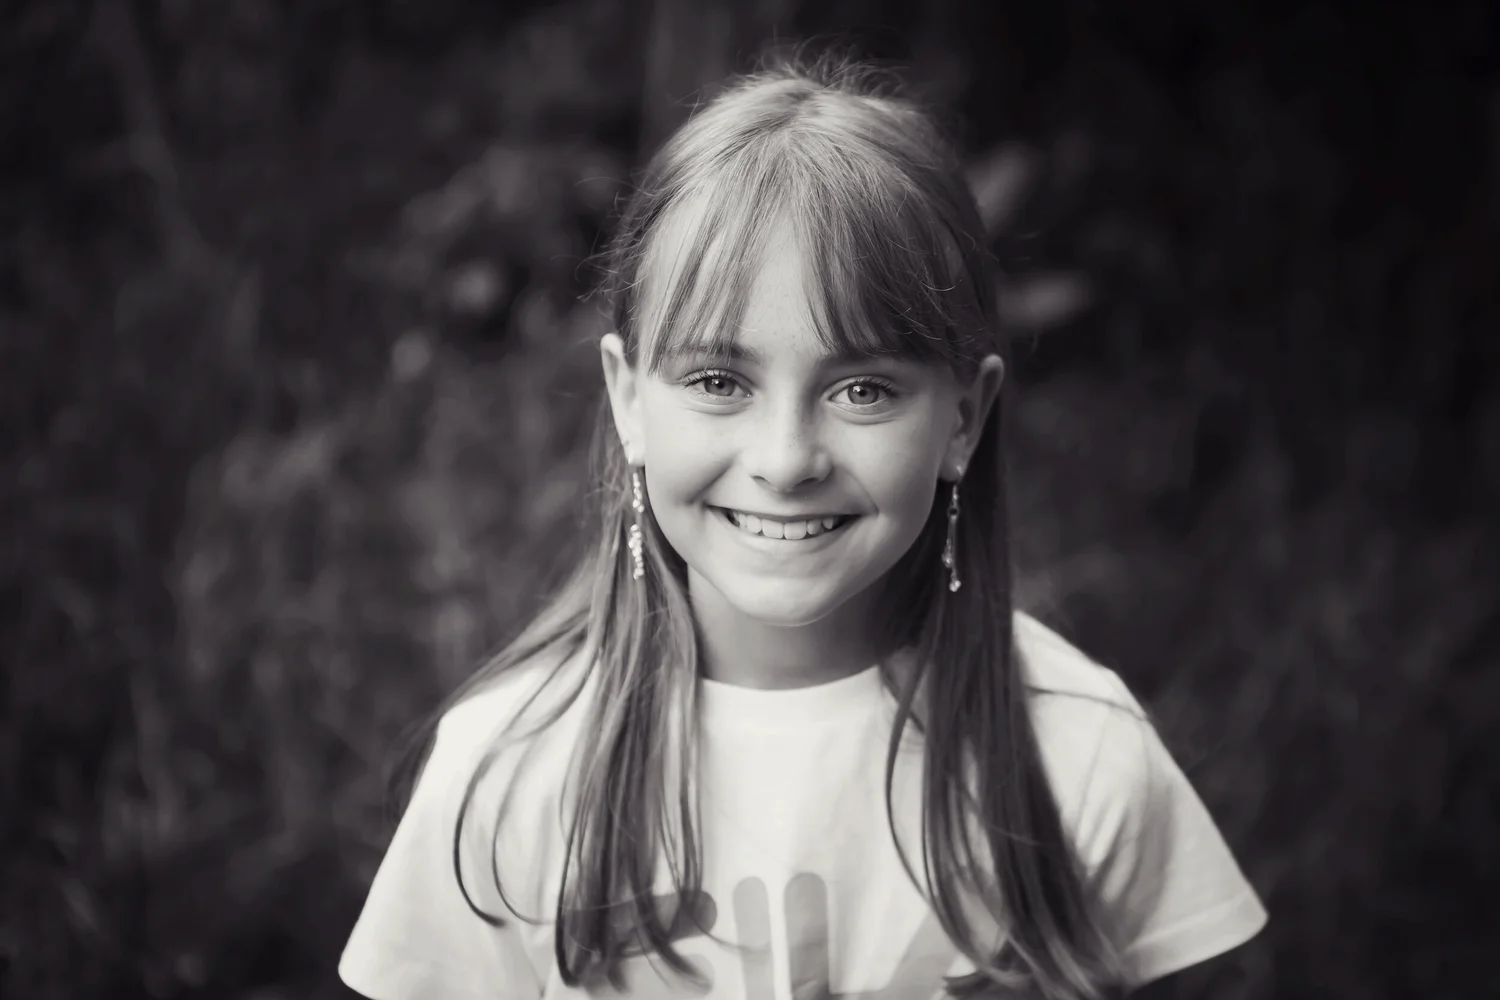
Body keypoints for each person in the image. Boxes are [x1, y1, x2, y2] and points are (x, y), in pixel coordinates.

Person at [338, 51, 1267, 1000]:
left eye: (863, 389)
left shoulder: (1080, 752)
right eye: (718, 381)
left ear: (963, 420)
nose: (786, 461)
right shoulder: (511, 773)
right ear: (628, 399)